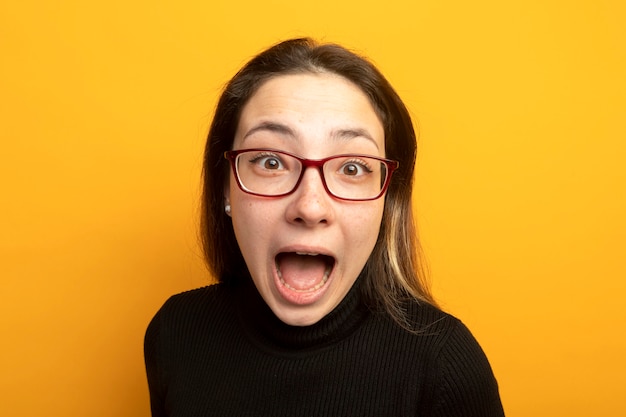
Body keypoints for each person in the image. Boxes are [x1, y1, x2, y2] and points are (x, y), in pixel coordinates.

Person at [144, 37, 505, 416]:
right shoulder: (175, 334)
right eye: (270, 162)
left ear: (387, 202)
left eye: (352, 168)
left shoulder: (445, 367)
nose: (310, 206)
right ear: (225, 189)